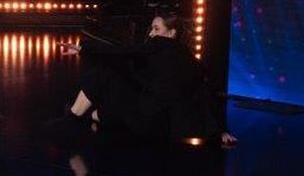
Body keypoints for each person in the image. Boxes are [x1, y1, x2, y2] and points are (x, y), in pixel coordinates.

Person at [59, 12, 237, 147]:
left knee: (102, 74)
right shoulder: (192, 60)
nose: (151, 34)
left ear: (172, 33)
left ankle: (72, 118)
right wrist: (219, 131)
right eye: (152, 29)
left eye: (156, 29)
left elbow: (124, 51)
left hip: (143, 119)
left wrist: (83, 49)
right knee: (106, 109)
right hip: (160, 129)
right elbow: (204, 95)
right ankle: (85, 115)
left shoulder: (158, 44)